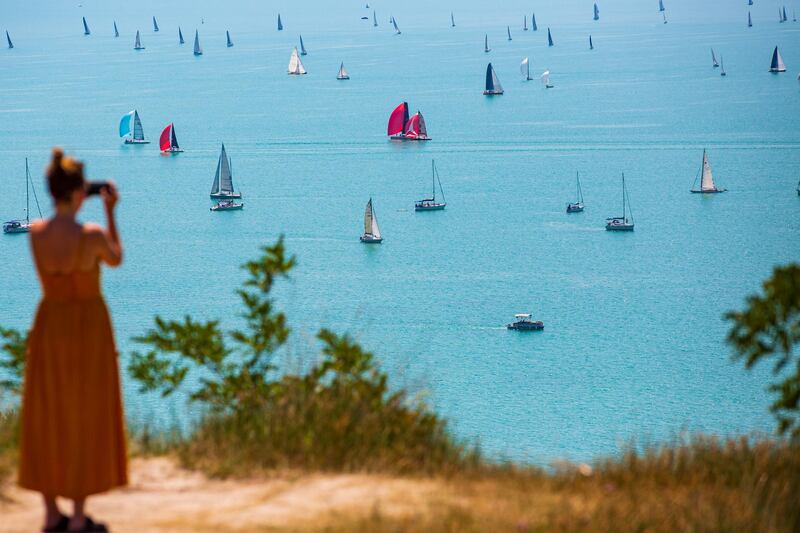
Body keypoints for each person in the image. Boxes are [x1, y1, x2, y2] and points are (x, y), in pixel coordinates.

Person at [18, 148, 126, 532]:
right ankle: (78, 517)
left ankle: (50, 512)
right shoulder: (92, 234)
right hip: (88, 329)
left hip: (50, 325)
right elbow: (115, 258)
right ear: (81, 192)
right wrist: (110, 212)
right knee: (84, 414)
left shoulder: (36, 234)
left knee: (48, 413)